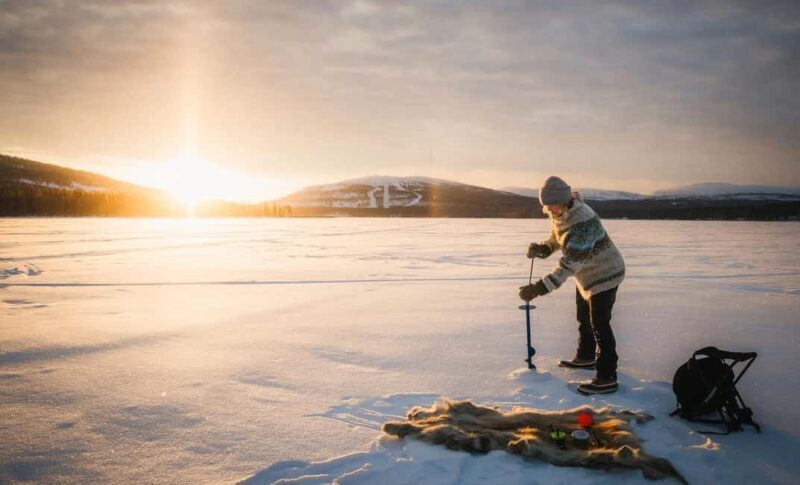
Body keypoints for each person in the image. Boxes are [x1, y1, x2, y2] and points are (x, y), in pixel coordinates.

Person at [519, 176, 625, 395]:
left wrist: (539, 288)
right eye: (545, 205)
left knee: (600, 324)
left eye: (550, 204)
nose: (547, 209)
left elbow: (567, 266)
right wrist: (544, 249)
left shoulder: (582, 223)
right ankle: (586, 357)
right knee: (583, 316)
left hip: (606, 274)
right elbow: (557, 237)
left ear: (563, 200)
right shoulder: (561, 213)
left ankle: (607, 376)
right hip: (586, 274)